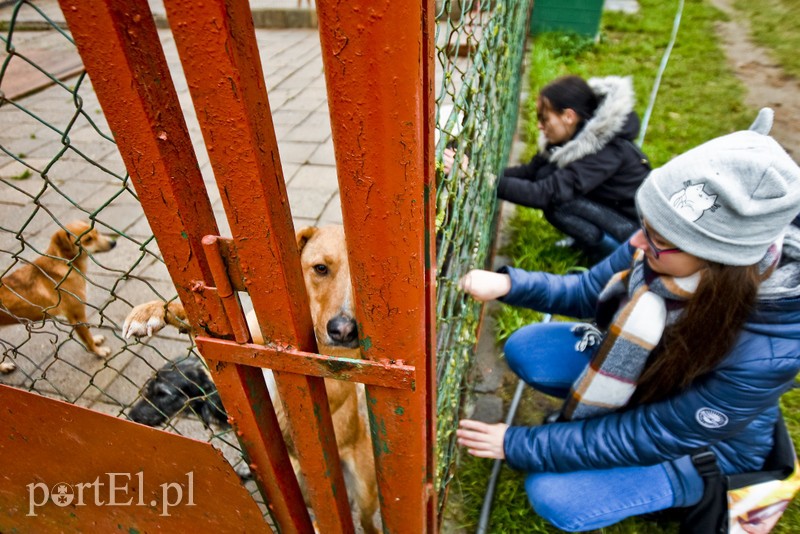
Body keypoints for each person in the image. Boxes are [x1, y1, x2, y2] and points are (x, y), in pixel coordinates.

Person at [455, 108, 800, 531]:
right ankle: (597, 424)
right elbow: (585, 290)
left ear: (719, 261)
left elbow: (652, 434)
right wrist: (509, 285)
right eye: (645, 225)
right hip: (651, 383)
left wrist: (523, 444)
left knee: (554, 496)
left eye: (656, 239)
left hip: (699, 447)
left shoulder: (770, 351)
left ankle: (669, 499)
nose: (636, 242)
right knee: (530, 349)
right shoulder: (662, 247)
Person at [499, 74, 650, 260]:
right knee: (546, 173)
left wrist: (486, 182)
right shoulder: (574, 136)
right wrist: (485, 175)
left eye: (544, 118)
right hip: (612, 209)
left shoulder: (606, 150)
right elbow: (531, 172)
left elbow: (545, 193)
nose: (539, 126)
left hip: (638, 231)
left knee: (559, 203)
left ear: (568, 116)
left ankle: (611, 257)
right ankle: (589, 243)